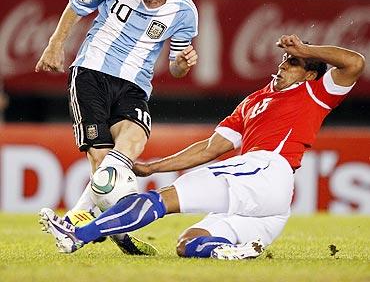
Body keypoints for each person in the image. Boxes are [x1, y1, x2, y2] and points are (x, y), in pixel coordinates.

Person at [39, 35, 365, 260]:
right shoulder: (253, 101)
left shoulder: (314, 94)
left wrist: (307, 49)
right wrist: (153, 167)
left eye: (293, 62)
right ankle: (227, 252)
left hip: (266, 169)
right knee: (188, 243)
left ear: (308, 73)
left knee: (161, 200)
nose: (283, 64)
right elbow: (211, 147)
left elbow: (354, 62)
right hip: (269, 205)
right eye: (285, 58)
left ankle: (78, 235)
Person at [35, 0, 198, 255]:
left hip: (134, 85)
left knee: (129, 148)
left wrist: (183, 63)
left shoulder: (185, 12)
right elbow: (76, 6)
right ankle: (116, 233)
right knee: (101, 158)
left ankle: (73, 222)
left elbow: (177, 66)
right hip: (90, 73)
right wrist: (55, 44)